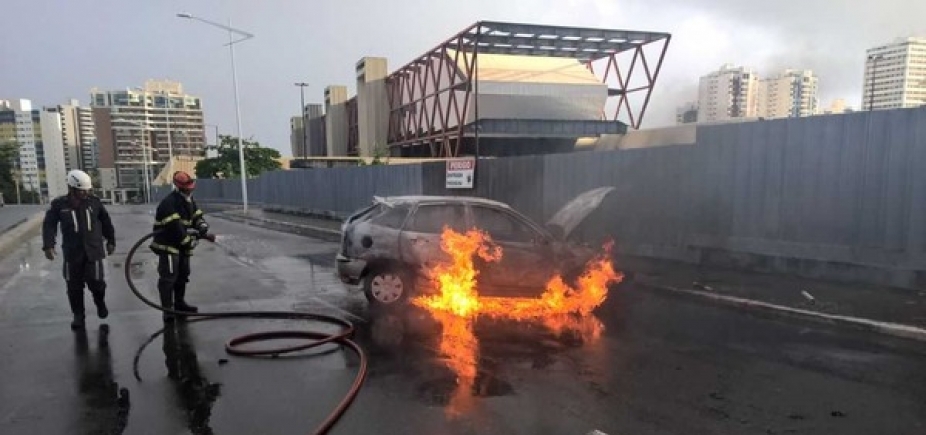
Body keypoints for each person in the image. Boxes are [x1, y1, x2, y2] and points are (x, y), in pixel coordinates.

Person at [43, 170, 116, 330]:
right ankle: (78, 315)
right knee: (74, 287)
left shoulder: (94, 203)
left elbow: (106, 222)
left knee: (97, 283)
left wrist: (111, 241)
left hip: (93, 251)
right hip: (72, 253)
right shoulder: (59, 205)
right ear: (72, 188)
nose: (85, 193)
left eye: (87, 190)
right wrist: (48, 245)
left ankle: (100, 303)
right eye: (81, 190)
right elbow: (49, 225)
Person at [151, 171, 215, 322]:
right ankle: (167, 310)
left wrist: (202, 225)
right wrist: (188, 241)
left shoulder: (188, 199)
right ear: (180, 187)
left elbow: (196, 215)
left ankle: (179, 304)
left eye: (191, 187)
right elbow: (174, 228)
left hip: (181, 245)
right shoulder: (169, 203)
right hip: (168, 245)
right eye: (187, 188)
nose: (190, 190)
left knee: (183, 275)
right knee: (168, 278)